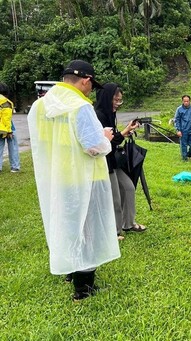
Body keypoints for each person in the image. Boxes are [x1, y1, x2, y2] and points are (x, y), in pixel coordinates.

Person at [27, 60, 120, 301]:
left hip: (58, 176)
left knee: (68, 224)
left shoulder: (41, 105)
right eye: (92, 85)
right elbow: (93, 147)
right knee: (88, 231)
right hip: (85, 177)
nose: (92, 90)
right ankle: (83, 288)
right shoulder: (80, 106)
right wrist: (106, 137)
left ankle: (69, 270)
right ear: (85, 81)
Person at [94, 83, 146, 240]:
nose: (117, 104)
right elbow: (104, 142)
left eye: (120, 101)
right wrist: (122, 133)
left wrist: (125, 131)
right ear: (106, 98)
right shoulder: (98, 115)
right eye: (115, 100)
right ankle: (114, 232)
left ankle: (128, 223)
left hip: (113, 159)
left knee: (129, 188)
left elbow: (114, 138)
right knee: (115, 199)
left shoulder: (110, 114)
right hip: (104, 162)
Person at [0, 83, 20, 173]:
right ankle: (15, 167)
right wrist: (9, 131)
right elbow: (6, 118)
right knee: (13, 146)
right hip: (6, 128)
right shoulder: (5, 101)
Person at [174, 94, 191, 161]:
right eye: (185, 101)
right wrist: (178, 130)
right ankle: (184, 158)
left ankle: (190, 155)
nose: (186, 102)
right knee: (183, 145)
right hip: (183, 130)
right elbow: (176, 120)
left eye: (187, 101)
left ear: (190, 101)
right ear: (182, 101)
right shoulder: (179, 109)